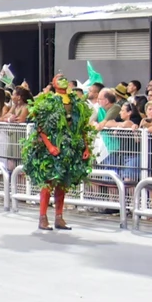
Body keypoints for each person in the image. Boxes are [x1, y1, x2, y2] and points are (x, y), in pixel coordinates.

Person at [22, 73, 93, 231]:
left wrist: (85, 147)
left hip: (71, 147)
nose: (62, 80)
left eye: (64, 78)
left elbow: (82, 127)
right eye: (58, 78)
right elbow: (40, 126)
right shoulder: (48, 102)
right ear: (53, 83)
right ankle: (42, 217)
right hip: (53, 147)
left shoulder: (76, 102)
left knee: (63, 183)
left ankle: (59, 217)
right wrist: (49, 145)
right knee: (48, 182)